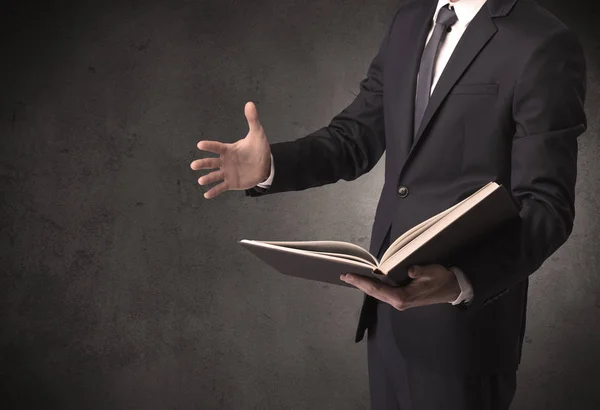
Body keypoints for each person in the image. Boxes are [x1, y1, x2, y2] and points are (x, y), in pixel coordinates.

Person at [190, 0, 587, 408]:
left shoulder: (542, 42)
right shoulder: (410, 21)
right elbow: (354, 138)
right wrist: (271, 165)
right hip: (385, 321)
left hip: (464, 336)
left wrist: (461, 279)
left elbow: (546, 206)